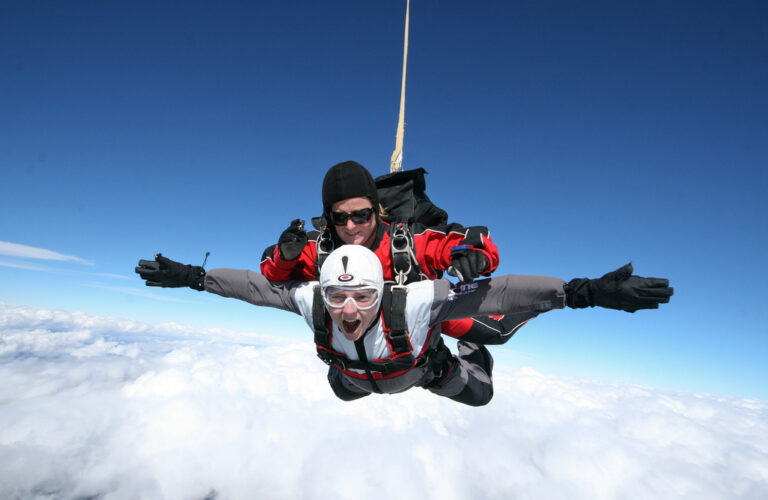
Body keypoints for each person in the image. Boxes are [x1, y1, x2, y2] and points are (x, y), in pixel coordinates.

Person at [135, 245, 673, 406]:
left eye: (363, 296)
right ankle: (364, 377)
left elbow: (500, 291)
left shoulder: (412, 302)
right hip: (356, 377)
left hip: (417, 370)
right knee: (343, 389)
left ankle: (459, 355)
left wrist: (583, 293)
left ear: (383, 292)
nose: (347, 310)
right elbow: (256, 288)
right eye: (337, 295)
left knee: (480, 396)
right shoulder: (313, 303)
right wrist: (194, 277)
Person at [260, 160, 530, 348]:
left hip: (418, 315)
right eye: (340, 218)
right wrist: (286, 255)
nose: (351, 227)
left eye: (361, 215)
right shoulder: (321, 248)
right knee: (345, 387)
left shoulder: (404, 241)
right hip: (364, 335)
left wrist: (473, 255)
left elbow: (456, 240)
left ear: (376, 211)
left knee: (496, 333)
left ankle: (462, 357)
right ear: (329, 217)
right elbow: (272, 272)